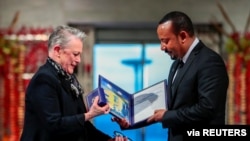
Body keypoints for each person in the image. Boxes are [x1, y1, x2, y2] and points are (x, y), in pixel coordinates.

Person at [113, 11, 229, 141]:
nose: (162, 47)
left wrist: (167, 116)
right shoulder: (176, 64)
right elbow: (167, 108)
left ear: (183, 36)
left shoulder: (210, 61)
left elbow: (207, 109)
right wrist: (130, 121)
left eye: (165, 41)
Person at [20, 25, 128, 141]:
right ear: (58, 51)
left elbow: (83, 125)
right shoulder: (44, 79)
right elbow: (54, 125)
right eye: (75, 54)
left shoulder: (69, 78)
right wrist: (90, 114)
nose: (79, 60)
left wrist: (109, 140)